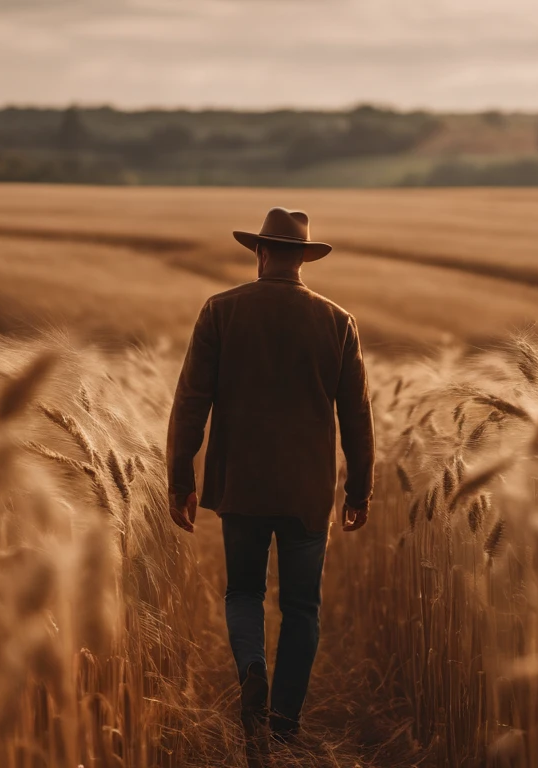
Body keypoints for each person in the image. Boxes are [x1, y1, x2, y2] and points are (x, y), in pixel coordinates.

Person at [166, 207, 375, 750]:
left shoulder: (221, 311)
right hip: (308, 492)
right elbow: (356, 414)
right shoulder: (337, 321)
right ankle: (284, 723)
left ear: (260, 251)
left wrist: (179, 478)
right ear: (304, 257)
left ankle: (252, 671)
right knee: (303, 607)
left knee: (244, 592)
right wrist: (359, 490)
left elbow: (191, 401)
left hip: (242, 484)